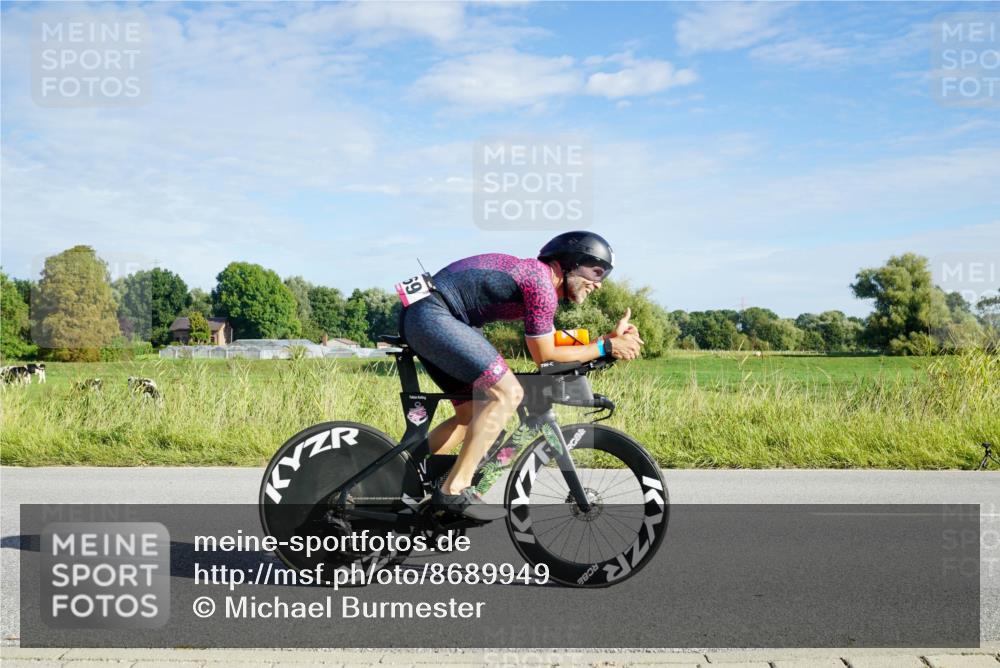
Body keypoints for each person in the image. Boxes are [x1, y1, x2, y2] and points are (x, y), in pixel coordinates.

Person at [397, 231, 644, 520]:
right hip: (434, 315)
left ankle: (397, 475)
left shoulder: (540, 282)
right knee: (508, 393)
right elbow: (546, 355)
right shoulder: (540, 282)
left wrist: (604, 341)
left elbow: (551, 342)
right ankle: (453, 491)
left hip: (430, 315)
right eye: (597, 271)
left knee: (472, 415)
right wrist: (606, 346)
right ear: (572, 263)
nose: (599, 285)